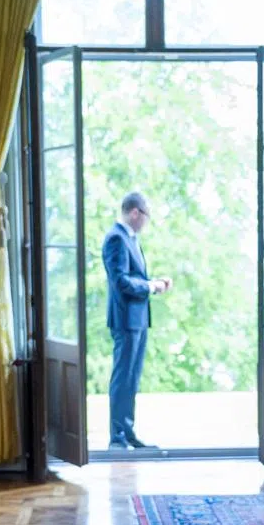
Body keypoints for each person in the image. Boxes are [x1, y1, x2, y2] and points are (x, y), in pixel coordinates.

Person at [102, 191, 172, 449]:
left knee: (132, 377)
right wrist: (151, 286)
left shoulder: (130, 239)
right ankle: (117, 436)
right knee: (123, 377)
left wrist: (152, 282)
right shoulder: (116, 239)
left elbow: (134, 276)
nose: (146, 221)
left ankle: (127, 432)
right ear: (135, 212)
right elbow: (120, 281)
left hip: (138, 320)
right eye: (146, 215)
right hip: (125, 320)